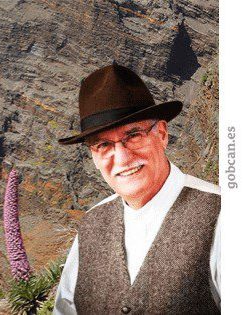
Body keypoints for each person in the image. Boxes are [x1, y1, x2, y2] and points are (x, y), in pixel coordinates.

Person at [52, 64, 221, 314]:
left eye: (133, 136)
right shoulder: (91, 226)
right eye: (103, 145)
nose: (121, 158)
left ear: (162, 134)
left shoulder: (224, 216)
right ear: (94, 157)